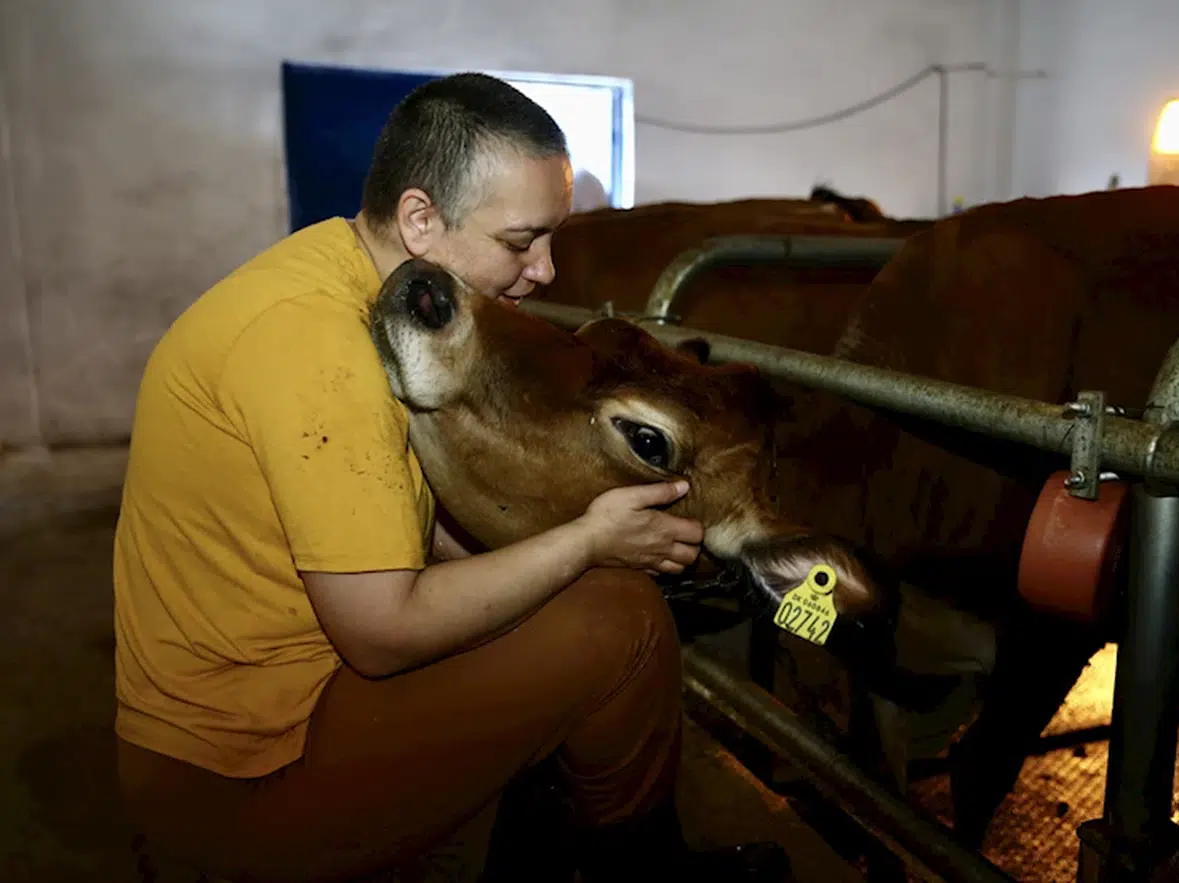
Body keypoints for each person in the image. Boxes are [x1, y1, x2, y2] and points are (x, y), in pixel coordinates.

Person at [113, 72, 791, 883]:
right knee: (624, 619)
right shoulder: (318, 351)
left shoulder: (332, 273)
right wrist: (586, 541)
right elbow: (382, 631)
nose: (543, 272)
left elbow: (409, 523)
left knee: (576, 605)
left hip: (258, 714)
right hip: (238, 777)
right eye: (519, 241)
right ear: (419, 218)